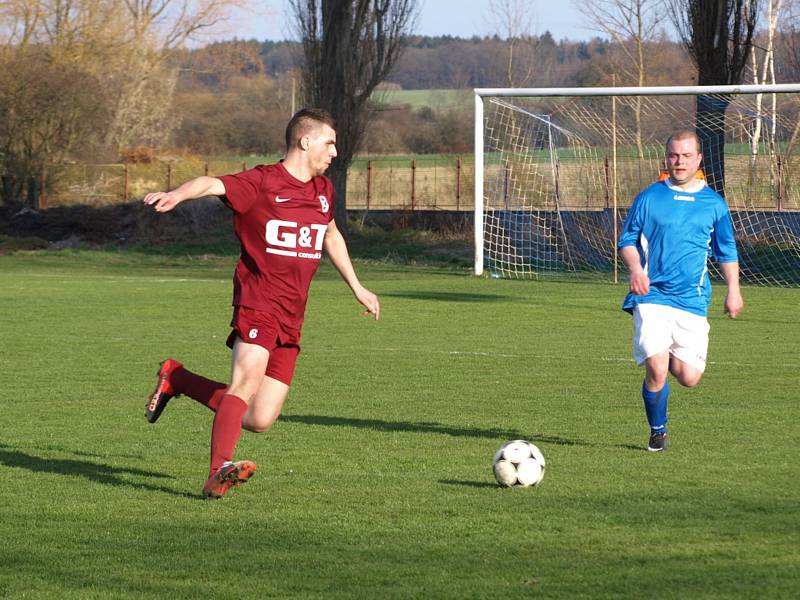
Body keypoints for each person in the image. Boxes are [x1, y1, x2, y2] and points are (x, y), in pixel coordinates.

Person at [142, 108, 380, 498]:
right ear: (305, 141)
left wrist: (357, 286)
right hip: (258, 302)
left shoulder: (323, 191)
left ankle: (177, 378)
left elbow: (331, 235)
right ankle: (218, 470)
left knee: (259, 418)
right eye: (330, 142)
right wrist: (176, 194)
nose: (335, 152)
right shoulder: (263, 182)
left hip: (293, 315)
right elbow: (211, 183)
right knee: (246, 382)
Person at [618, 129, 743, 452]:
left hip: (692, 299)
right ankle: (657, 431)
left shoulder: (713, 204)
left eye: (686, 156)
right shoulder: (650, 197)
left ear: (699, 159)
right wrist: (635, 270)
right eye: (674, 155)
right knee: (657, 368)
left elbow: (726, 251)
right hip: (651, 296)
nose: (679, 161)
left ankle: (668, 353)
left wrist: (734, 290)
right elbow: (627, 241)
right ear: (667, 158)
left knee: (688, 377)